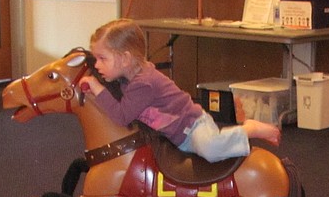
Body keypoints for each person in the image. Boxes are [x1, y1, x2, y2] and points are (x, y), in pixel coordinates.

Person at [80, 18, 281, 163]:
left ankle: (249, 129)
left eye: (102, 58)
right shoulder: (128, 76)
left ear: (125, 59)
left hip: (191, 126)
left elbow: (122, 116)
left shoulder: (144, 83)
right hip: (174, 133)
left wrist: (97, 88)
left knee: (211, 149)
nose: (97, 65)